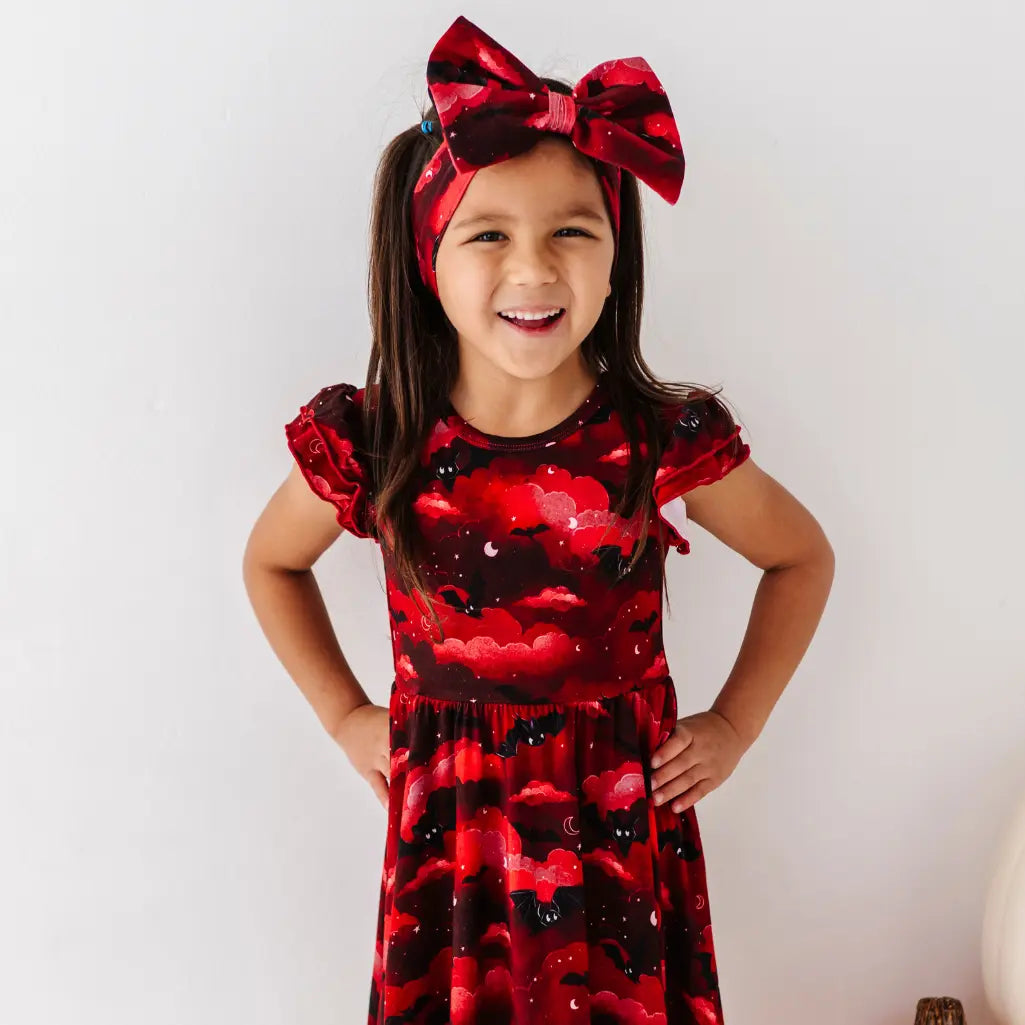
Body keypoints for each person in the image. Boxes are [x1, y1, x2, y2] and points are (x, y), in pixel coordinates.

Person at [242, 14, 834, 1025]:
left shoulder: (655, 441)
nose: (534, 267)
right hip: (452, 840)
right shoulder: (377, 441)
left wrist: (732, 725)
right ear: (427, 254)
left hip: (612, 829)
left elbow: (798, 556)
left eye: (571, 229)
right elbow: (271, 564)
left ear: (615, 256)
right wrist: (345, 714)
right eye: (488, 233)